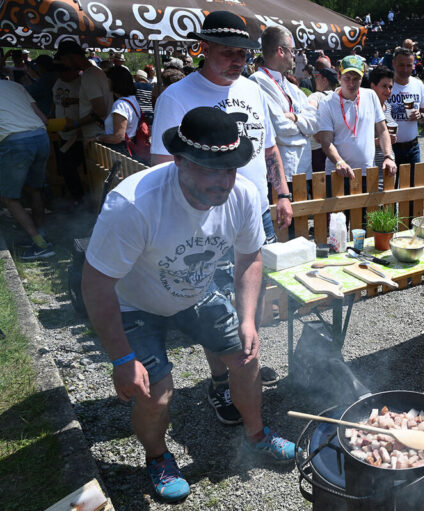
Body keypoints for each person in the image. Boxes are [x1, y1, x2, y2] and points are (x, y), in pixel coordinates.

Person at [81, 107, 298, 504]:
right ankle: (158, 457)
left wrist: (248, 318)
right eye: (209, 169)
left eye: (229, 168)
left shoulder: (244, 195)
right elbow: (96, 284)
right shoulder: (134, 204)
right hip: (134, 305)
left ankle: (256, 434)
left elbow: (249, 257)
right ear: (178, 160)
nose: (222, 181)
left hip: (194, 293)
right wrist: (121, 358)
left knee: (247, 354)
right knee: (156, 393)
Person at [151, 10, 292, 425]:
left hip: (253, 214)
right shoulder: (177, 97)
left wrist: (281, 192)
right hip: (204, 222)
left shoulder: (251, 90)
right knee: (210, 305)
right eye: (228, 52)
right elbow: (163, 167)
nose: (237, 61)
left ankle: (242, 361)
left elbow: (268, 149)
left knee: (252, 297)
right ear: (204, 48)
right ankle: (219, 383)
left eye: (243, 54)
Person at [315, 55, 397, 193]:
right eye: (347, 78)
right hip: (337, 172)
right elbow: (326, 140)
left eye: (356, 79)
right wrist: (339, 162)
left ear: (362, 78)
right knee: (338, 215)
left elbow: (383, 130)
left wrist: (388, 156)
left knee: (367, 214)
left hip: (366, 173)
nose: (351, 84)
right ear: (339, 77)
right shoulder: (327, 103)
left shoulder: (370, 96)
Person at [251, 25, 316, 196]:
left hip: (303, 170)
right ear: (281, 51)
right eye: (292, 51)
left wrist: (294, 117)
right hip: (281, 175)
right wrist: (302, 125)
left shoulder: (290, 85)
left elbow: (314, 123)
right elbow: (280, 128)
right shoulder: (258, 81)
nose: (294, 55)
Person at [0, 79, 55, 260]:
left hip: (16, 142)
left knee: (8, 198)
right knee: (35, 190)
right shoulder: (15, 85)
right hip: (40, 137)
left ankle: (40, 244)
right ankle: (41, 236)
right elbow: (44, 119)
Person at [55, 40, 113, 141]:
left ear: (71, 57)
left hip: (96, 135)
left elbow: (100, 110)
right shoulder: (96, 72)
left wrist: (75, 124)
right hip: (98, 134)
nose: (65, 64)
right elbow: (96, 100)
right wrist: (76, 100)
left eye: (64, 60)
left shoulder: (89, 76)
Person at [387, 47, 424, 170]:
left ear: (413, 66)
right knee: (391, 187)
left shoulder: (418, 84)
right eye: (401, 65)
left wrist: (420, 116)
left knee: (414, 186)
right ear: (393, 64)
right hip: (390, 148)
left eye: (409, 65)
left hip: (413, 147)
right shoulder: (386, 85)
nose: (405, 69)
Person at [93, 66, 144, 162]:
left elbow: (118, 137)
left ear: (114, 82)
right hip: (130, 147)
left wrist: (97, 138)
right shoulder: (132, 99)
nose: (106, 82)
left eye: (108, 80)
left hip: (119, 152)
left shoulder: (120, 104)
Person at [52, 59, 86, 205]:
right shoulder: (57, 83)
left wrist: (80, 127)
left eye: (65, 70)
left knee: (73, 166)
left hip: (78, 132)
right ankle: (76, 197)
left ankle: (80, 199)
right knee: (65, 166)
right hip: (62, 131)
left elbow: (89, 105)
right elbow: (56, 104)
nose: (62, 74)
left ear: (73, 70)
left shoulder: (81, 84)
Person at [369, 66, 398, 189]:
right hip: (373, 165)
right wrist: (376, 141)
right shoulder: (366, 109)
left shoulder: (387, 106)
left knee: (389, 204)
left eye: (390, 87)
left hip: (388, 162)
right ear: (373, 86)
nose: (388, 90)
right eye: (384, 86)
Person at [308, 67, 339, 173]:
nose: (315, 80)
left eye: (318, 77)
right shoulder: (340, 98)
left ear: (324, 80)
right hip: (336, 148)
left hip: (317, 150)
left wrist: (316, 133)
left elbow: (309, 113)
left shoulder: (316, 96)